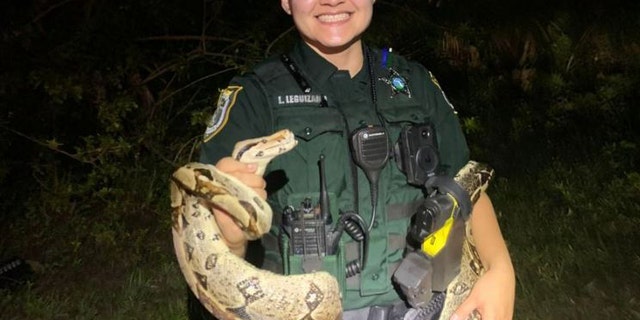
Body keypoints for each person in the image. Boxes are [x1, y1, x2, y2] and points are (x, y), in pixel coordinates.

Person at [197, 0, 515, 319]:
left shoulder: (415, 83)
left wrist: (499, 267)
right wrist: (230, 232)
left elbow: (466, 186)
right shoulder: (252, 99)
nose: (332, 0)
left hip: (425, 307)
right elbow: (213, 255)